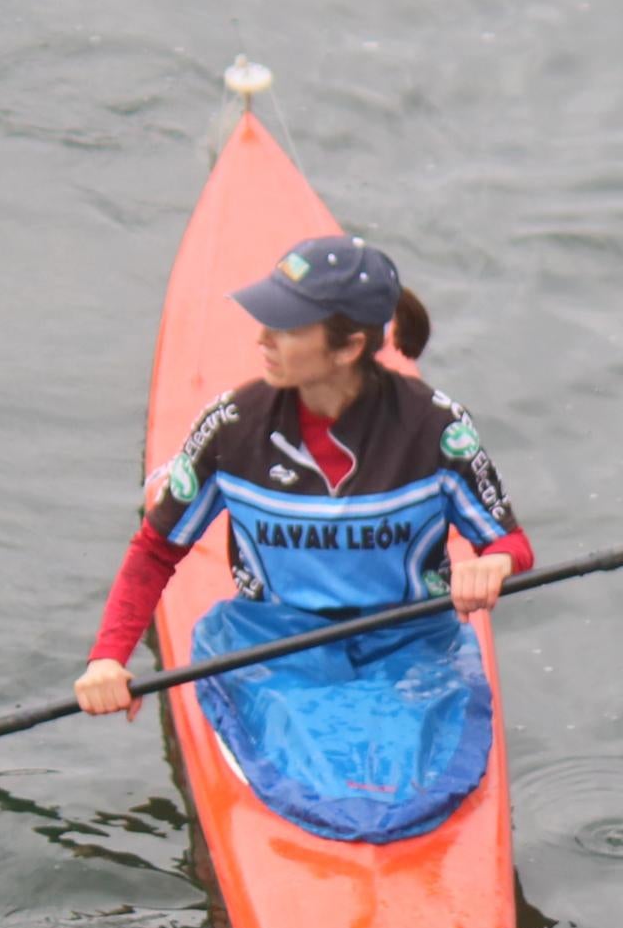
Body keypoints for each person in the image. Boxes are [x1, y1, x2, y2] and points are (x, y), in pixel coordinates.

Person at [75, 234, 534, 843]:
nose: (262, 339)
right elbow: (157, 550)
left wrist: (494, 565)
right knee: (330, 776)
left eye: (286, 326)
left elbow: (510, 542)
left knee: (399, 789)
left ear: (348, 347)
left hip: (410, 642)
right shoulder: (232, 428)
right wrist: (109, 657)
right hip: (271, 645)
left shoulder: (437, 429)